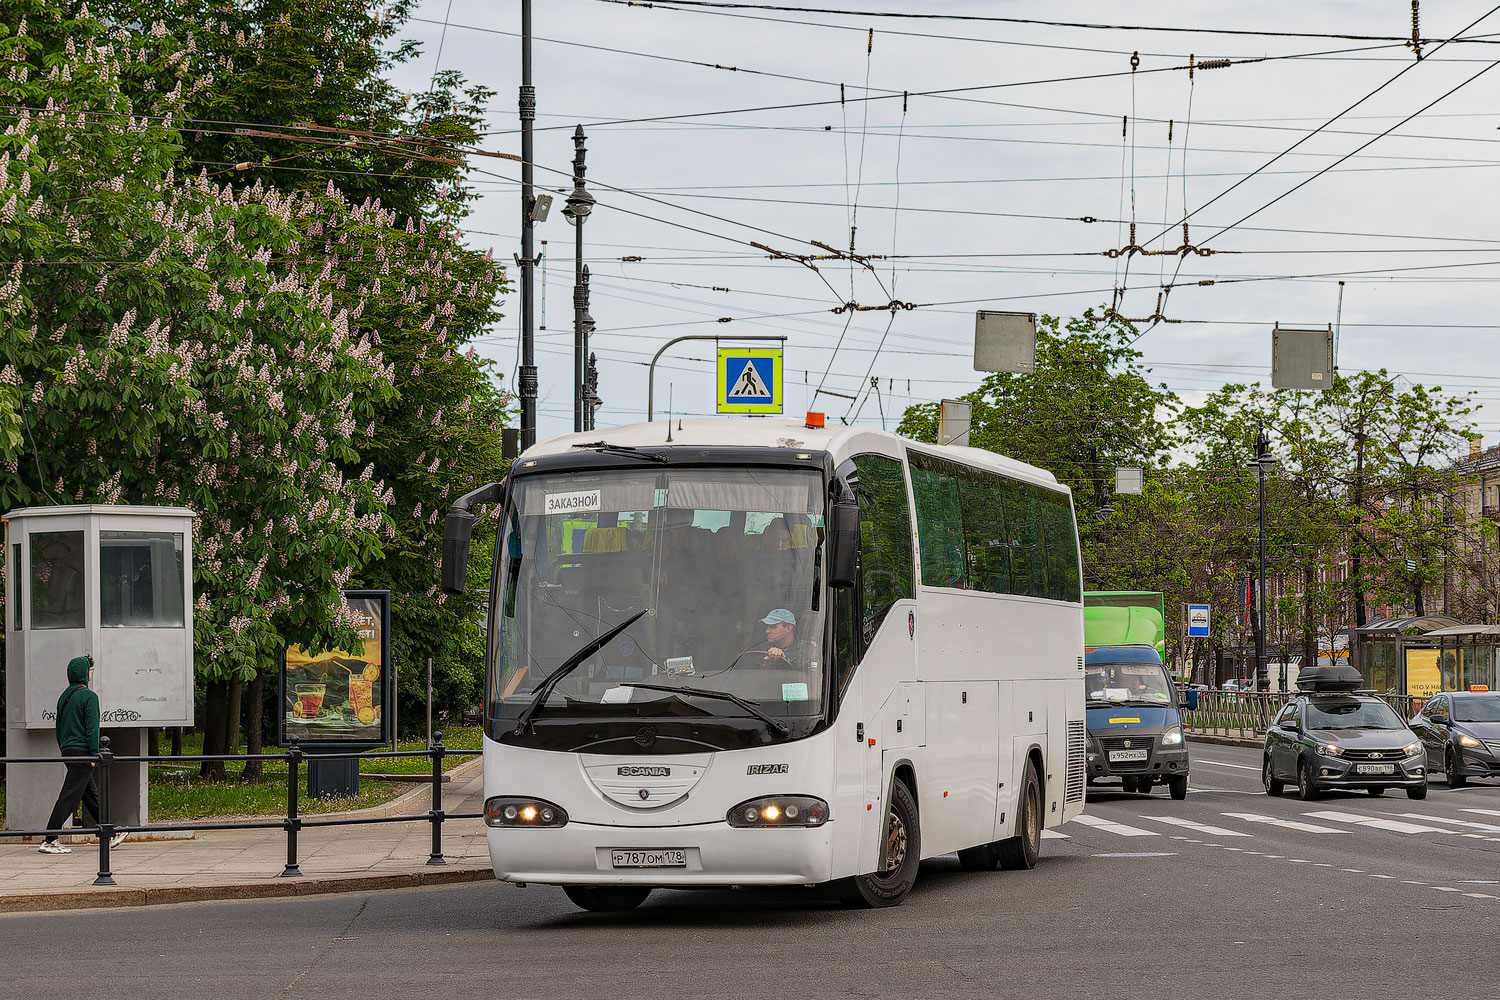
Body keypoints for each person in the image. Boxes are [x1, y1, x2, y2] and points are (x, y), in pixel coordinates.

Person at [39, 655, 126, 854]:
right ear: (84, 672)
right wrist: (94, 754)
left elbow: (58, 728)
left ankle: (109, 834)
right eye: (90, 669)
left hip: (69, 750)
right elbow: (93, 729)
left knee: (89, 794)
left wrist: (64, 747)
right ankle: (49, 839)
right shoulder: (89, 696)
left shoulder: (64, 696)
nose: (91, 673)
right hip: (83, 752)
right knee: (70, 795)